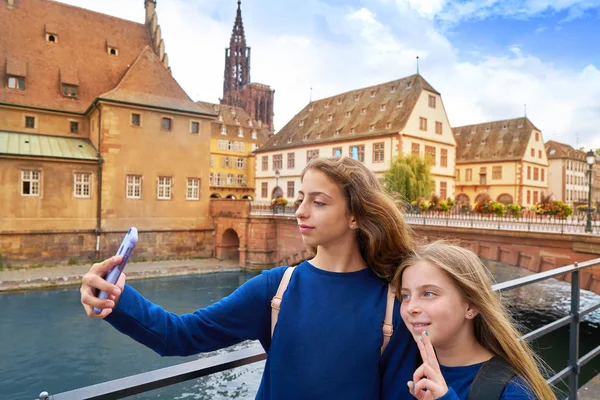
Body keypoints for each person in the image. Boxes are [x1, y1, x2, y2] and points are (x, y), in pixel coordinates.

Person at [80, 156, 418, 399]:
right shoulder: (276, 289)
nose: (299, 211)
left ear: (355, 216)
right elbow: (180, 336)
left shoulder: (394, 302)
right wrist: (117, 297)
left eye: (318, 202)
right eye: (301, 198)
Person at [393, 241, 556, 400]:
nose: (410, 307)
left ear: (471, 306)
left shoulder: (512, 390)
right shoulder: (405, 370)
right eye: (406, 295)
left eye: (429, 293)